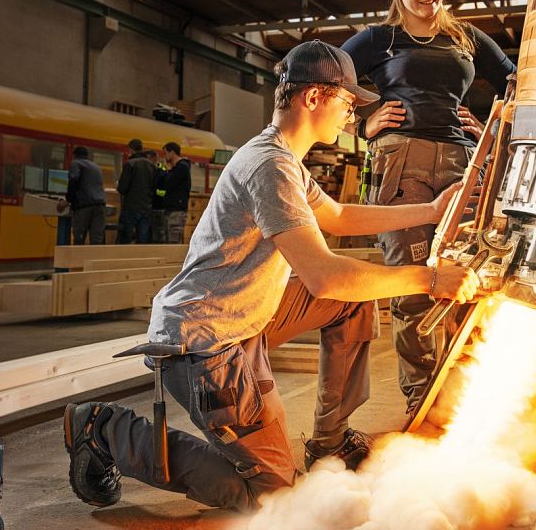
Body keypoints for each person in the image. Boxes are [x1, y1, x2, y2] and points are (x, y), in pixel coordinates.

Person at [62, 40, 479, 514]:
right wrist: (429, 279)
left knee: (355, 300)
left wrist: (427, 209)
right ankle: (105, 429)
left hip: (244, 316)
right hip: (205, 343)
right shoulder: (270, 166)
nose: (350, 116)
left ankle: (329, 439)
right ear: (314, 98)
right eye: (346, 102)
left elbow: (338, 215)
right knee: (276, 501)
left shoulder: (285, 160)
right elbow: (323, 276)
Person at [339, 0, 516, 416]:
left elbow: (515, 82)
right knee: (414, 281)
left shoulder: (467, 37)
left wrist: (492, 126)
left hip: (461, 163)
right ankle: (423, 399)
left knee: (468, 274)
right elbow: (323, 73)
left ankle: (462, 395)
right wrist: (365, 121)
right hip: (402, 164)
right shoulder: (380, 39)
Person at [115, 138, 156, 243]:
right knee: (143, 238)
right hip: (146, 207)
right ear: (142, 148)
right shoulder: (152, 166)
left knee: (125, 238)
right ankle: (141, 258)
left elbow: (123, 188)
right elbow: (154, 186)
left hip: (130, 207)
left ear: (131, 150)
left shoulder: (130, 164)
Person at [66, 146, 106, 245]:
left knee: (79, 237)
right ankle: (93, 259)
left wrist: (68, 200)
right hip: (100, 206)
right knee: (97, 239)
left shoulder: (76, 163)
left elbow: (73, 181)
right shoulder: (96, 167)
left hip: (84, 206)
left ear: (74, 155)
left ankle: (78, 260)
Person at [155, 141, 191, 243]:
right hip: (171, 210)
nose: (164, 156)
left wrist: (164, 170)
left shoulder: (182, 167)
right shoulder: (176, 168)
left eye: (165, 153)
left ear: (172, 152)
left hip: (177, 210)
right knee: (169, 240)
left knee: (174, 242)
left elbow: (168, 184)